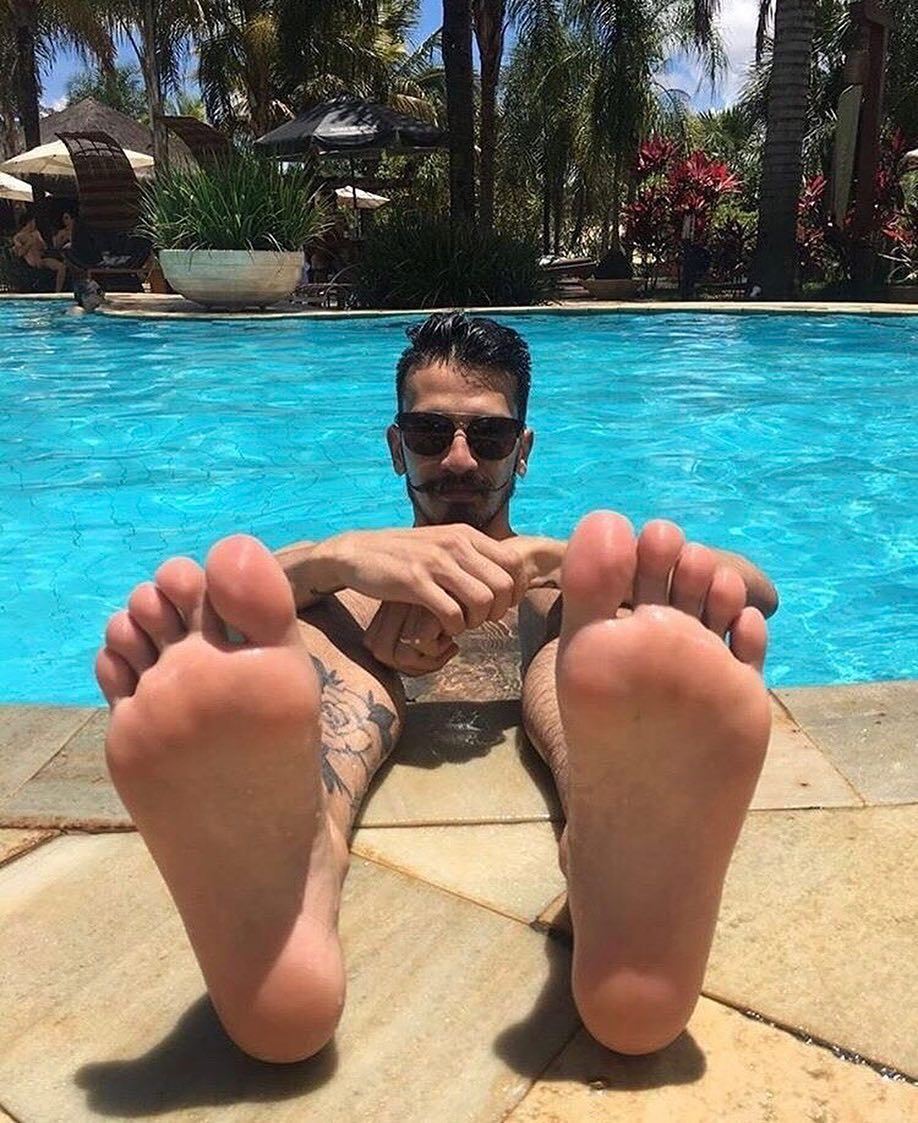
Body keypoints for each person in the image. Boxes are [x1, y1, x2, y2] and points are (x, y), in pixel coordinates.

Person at [96, 312, 778, 1065]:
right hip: (357, 653)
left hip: (564, 647)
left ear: (522, 451)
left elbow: (755, 590)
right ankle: (297, 860)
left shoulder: (569, 581)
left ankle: (612, 837)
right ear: (396, 447)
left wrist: (549, 559)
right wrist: (337, 560)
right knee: (303, 634)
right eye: (429, 433)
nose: (458, 458)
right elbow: (216, 605)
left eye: (488, 436)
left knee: (590, 639)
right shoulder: (350, 579)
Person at [11, 213, 67, 292]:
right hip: (31, 262)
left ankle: (58, 291)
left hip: (41, 259)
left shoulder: (36, 233)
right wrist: (29, 243)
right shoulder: (18, 237)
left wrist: (38, 242)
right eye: (33, 222)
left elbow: (44, 247)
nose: (34, 224)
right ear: (28, 223)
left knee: (61, 267)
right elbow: (19, 253)